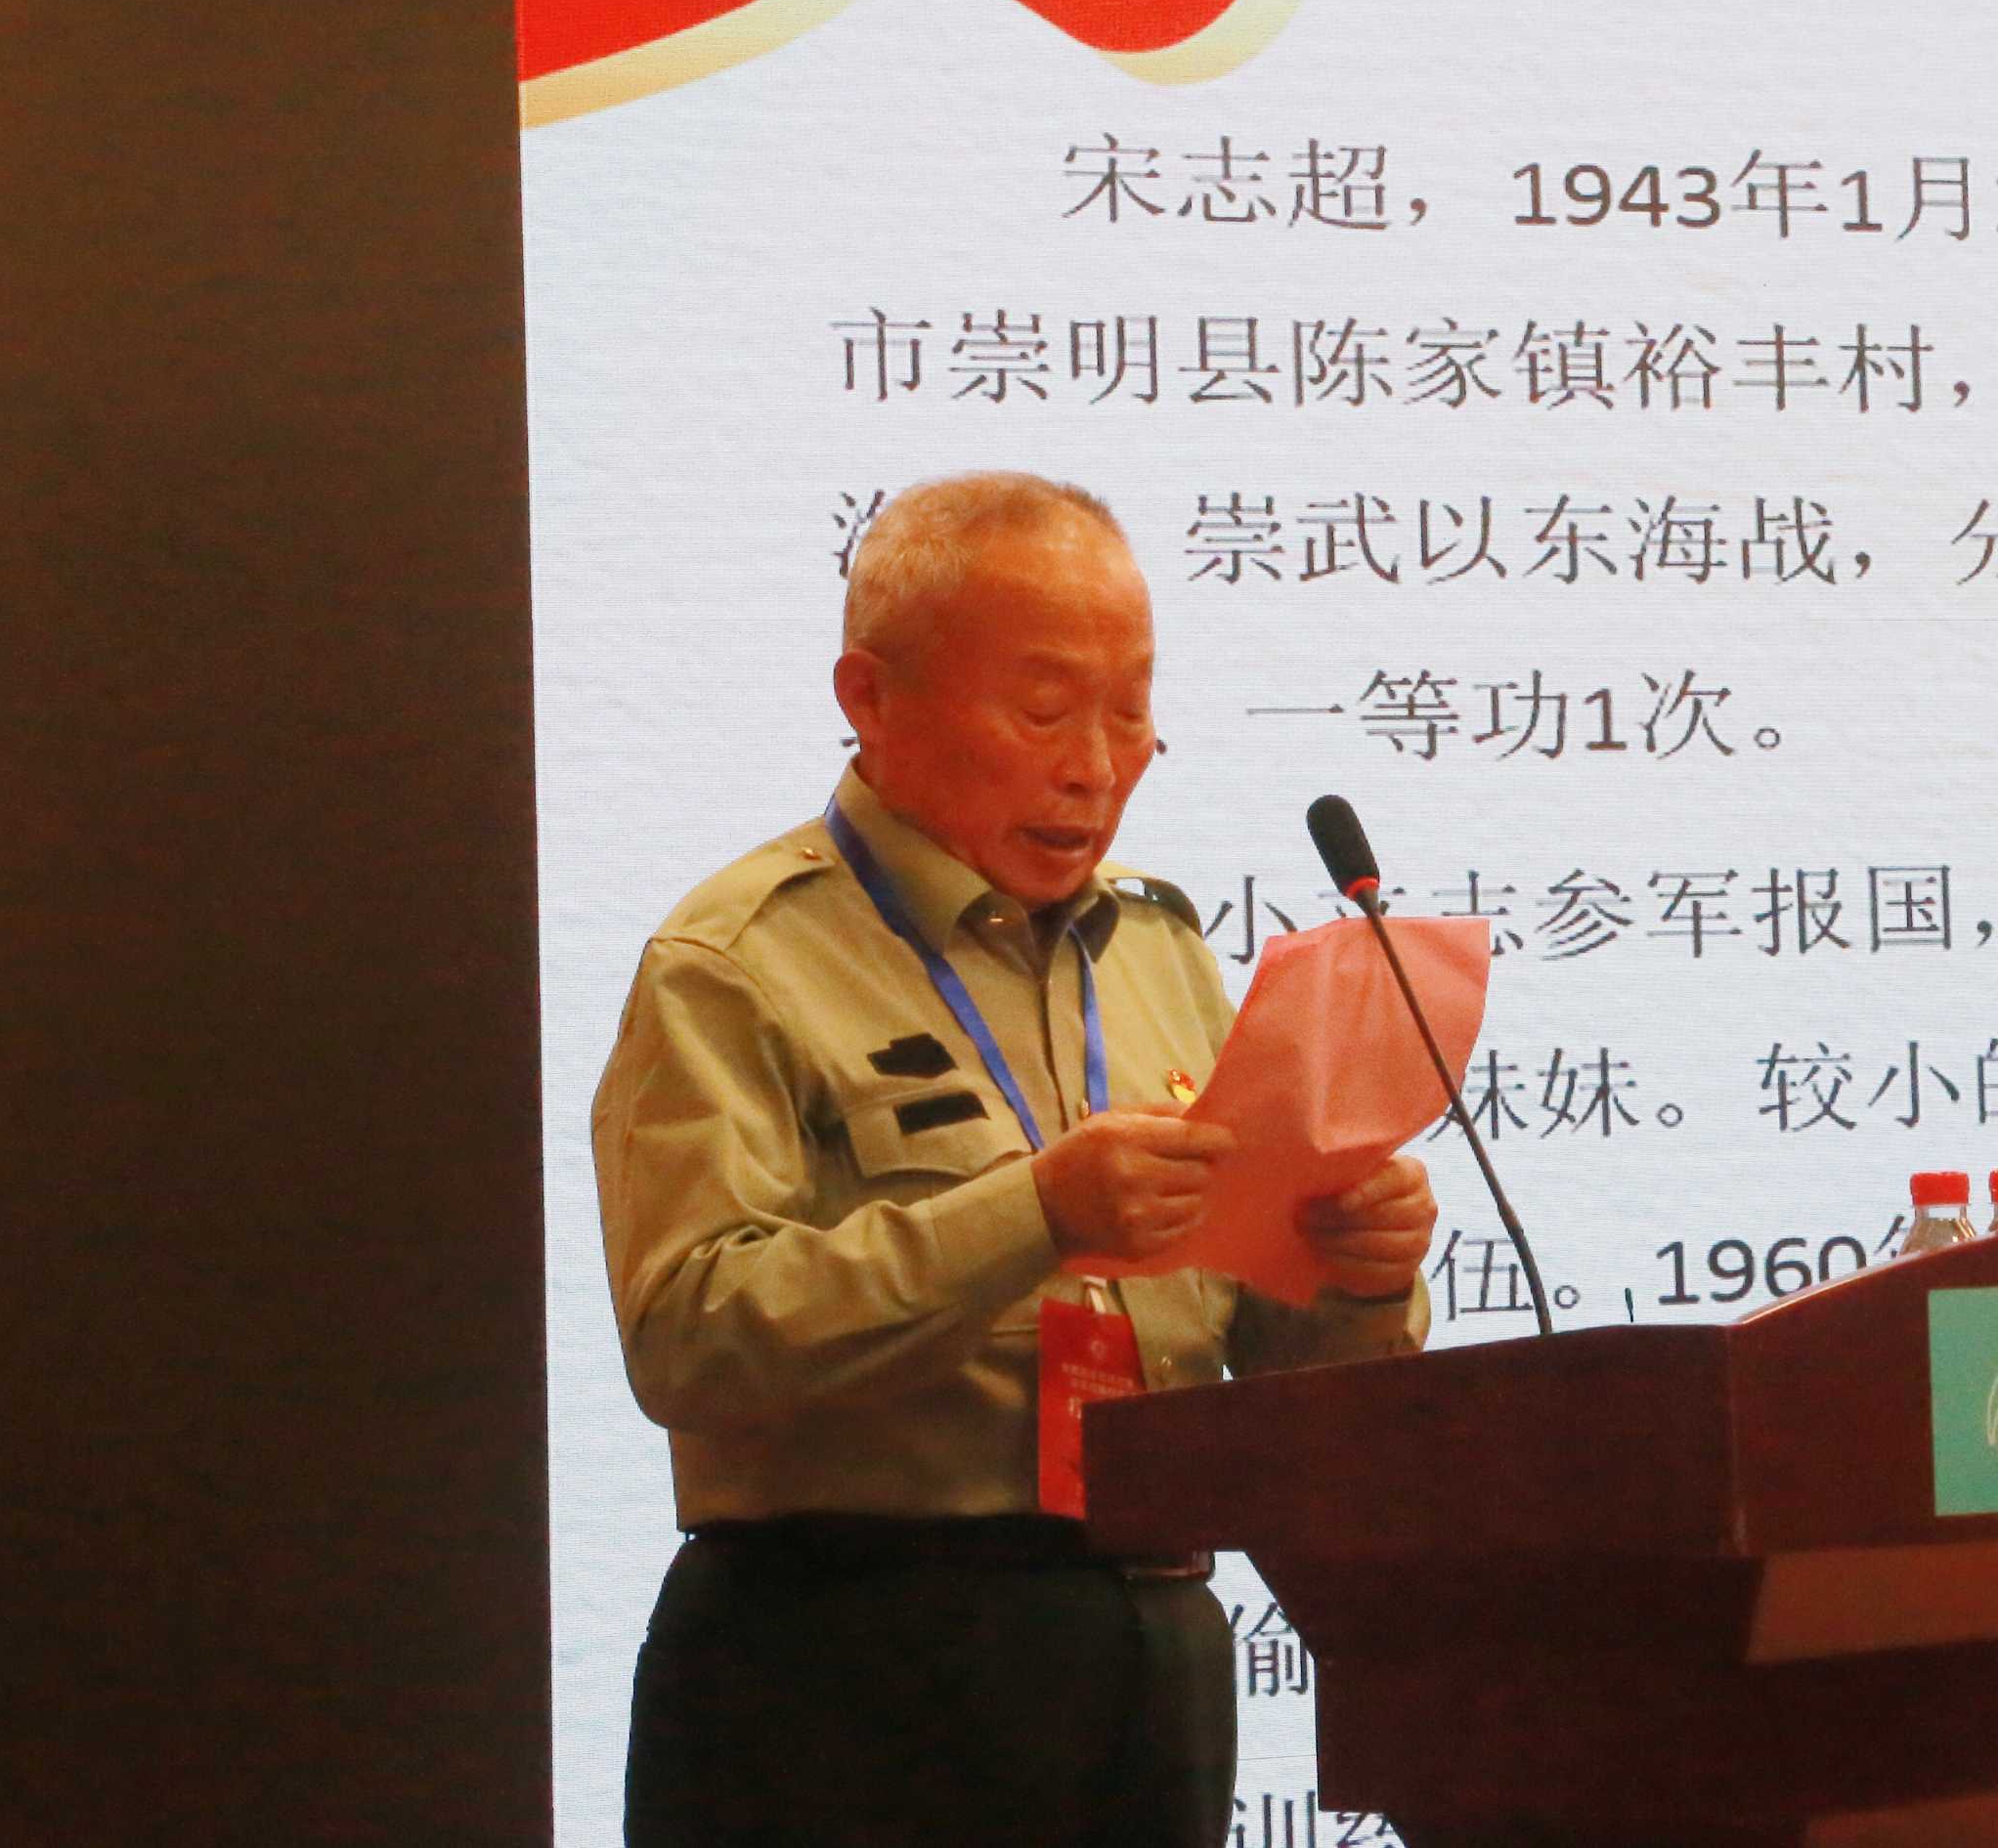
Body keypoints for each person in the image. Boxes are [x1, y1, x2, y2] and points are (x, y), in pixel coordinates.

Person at [592, 474, 1434, 1848]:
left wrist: (1356, 1276)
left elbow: (1275, 1377)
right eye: (1044, 710)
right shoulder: (738, 959)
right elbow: (687, 1336)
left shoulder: (1162, 955)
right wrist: (1033, 1211)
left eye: (1130, 710)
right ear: (870, 698)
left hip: (1152, 1652)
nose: (1096, 763)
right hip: (850, 1661)